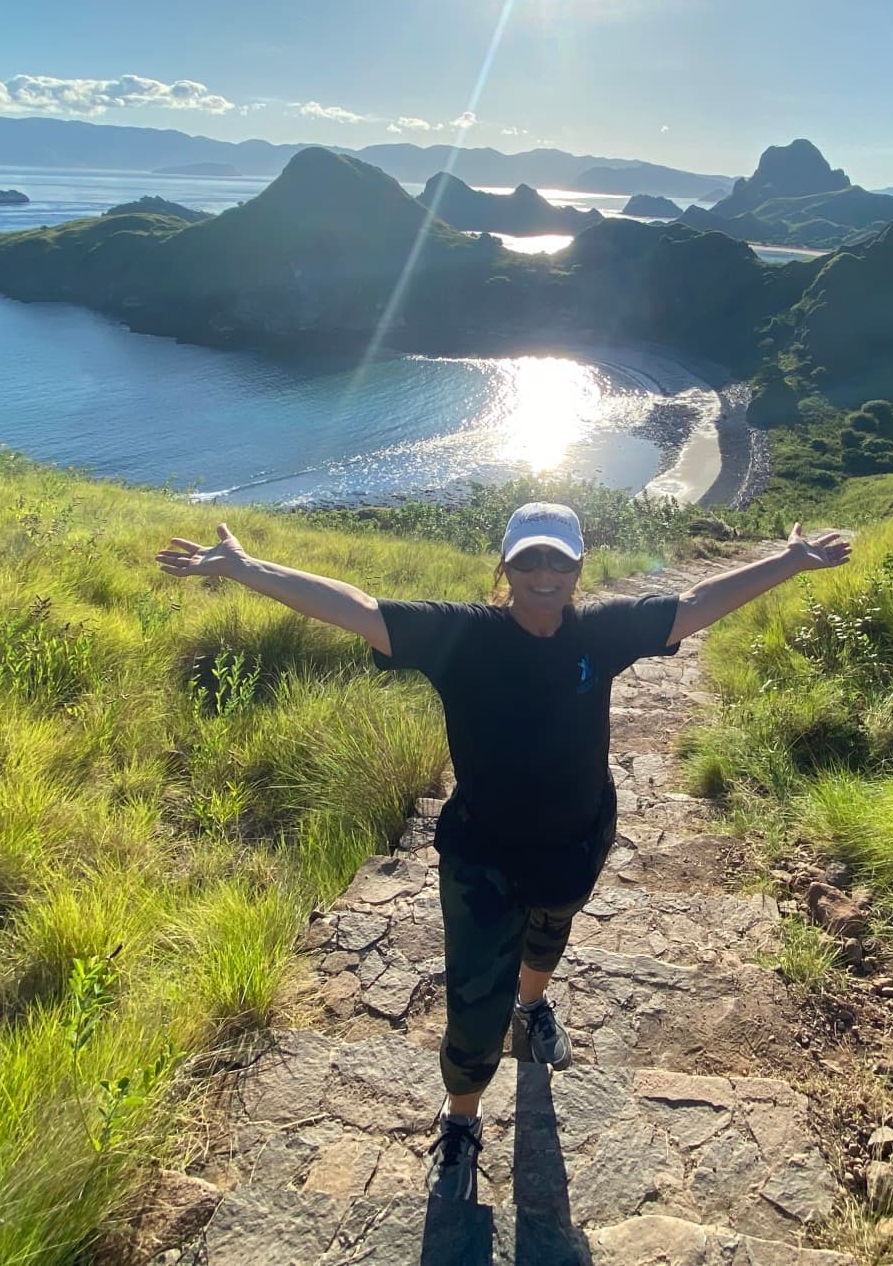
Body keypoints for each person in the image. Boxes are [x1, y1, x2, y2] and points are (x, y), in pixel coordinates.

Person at [154, 501, 852, 1203]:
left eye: (559, 559)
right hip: (482, 857)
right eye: (528, 559)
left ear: (578, 566)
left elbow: (697, 604)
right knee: (471, 1003)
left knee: (551, 930)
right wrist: (244, 569)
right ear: (506, 567)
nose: (544, 574)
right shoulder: (462, 636)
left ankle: (532, 1007)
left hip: (577, 838)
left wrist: (790, 561)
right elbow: (356, 608)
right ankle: (461, 1117)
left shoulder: (600, 632)